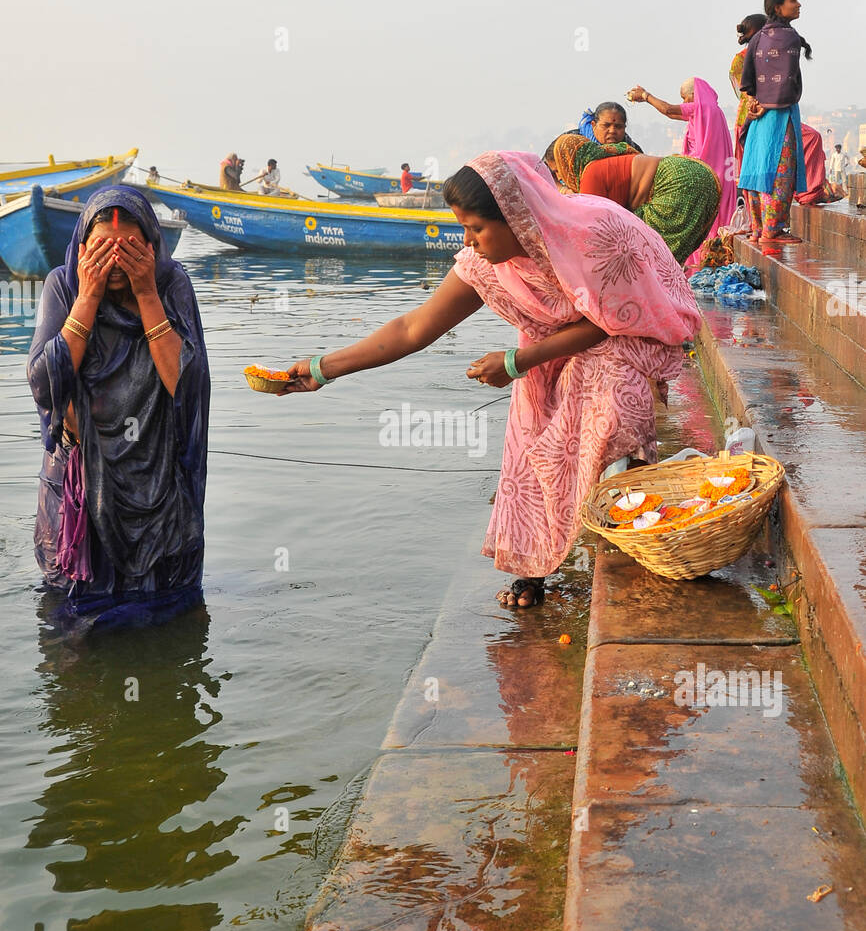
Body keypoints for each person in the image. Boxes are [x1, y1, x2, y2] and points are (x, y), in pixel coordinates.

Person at [272, 151, 701, 608]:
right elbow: (413, 328)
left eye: (476, 228)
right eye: (463, 228)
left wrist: (518, 361)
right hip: (548, 349)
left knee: (610, 400)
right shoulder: (485, 265)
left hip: (630, 335)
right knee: (532, 436)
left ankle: (633, 524)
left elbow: (610, 321)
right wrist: (323, 369)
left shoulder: (591, 237)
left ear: (517, 216)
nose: (469, 241)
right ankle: (533, 568)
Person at [27, 186, 210, 629]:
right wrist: (87, 299)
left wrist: (147, 294)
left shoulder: (172, 286)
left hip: (158, 492)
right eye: (102, 251)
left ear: (150, 246)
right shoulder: (64, 285)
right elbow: (44, 385)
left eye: (128, 251)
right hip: (82, 491)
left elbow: (188, 387)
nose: (114, 264)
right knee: (72, 636)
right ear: (83, 249)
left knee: (169, 626)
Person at [545, 133, 721, 268]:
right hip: (694, 172)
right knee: (650, 254)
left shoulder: (591, 174)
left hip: (677, 183)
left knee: (647, 254)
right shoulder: (605, 159)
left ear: (567, 162)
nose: (560, 176)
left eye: (557, 170)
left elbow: (591, 232)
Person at [626, 77, 736, 267]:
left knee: (701, 220)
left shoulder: (700, 108)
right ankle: (712, 258)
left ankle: (701, 261)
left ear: (695, 95)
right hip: (720, 174)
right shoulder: (713, 111)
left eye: (685, 98)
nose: (684, 103)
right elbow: (676, 114)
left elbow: (669, 110)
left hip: (704, 174)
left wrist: (645, 96)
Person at [737, 0, 811, 250]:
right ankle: (773, 230)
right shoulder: (788, 37)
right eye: (794, 0)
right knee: (781, 171)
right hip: (778, 115)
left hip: (757, 116)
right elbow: (787, 80)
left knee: (758, 171)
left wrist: (756, 104)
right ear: (778, 7)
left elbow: (747, 81)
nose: (799, 4)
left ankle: (758, 230)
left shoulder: (758, 37)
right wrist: (769, 104)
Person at [729, 14, 767, 172]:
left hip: (762, 109)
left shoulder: (769, 55)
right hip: (752, 113)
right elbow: (744, 91)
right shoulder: (741, 59)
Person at [795, 126, 845, 206]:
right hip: (781, 120)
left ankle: (811, 189)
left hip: (840, 169)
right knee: (814, 136)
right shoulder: (834, 155)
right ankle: (810, 191)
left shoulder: (842, 154)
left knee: (814, 136)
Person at [576, 101, 644, 152]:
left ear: (624, 128)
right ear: (593, 125)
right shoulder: (574, 145)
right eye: (606, 125)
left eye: (618, 126)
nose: (612, 131)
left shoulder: (633, 151)